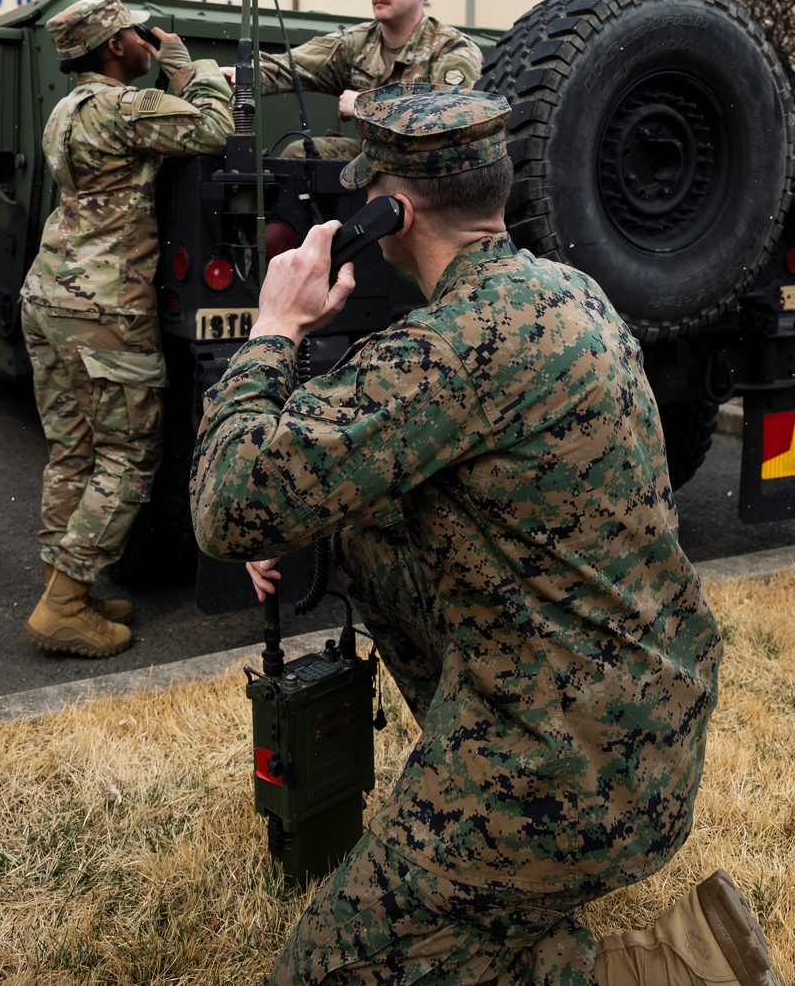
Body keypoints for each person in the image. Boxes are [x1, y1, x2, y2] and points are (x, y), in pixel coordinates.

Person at [191, 83, 777, 985]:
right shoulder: (568, 292)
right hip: (652, 730)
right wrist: (306, 508)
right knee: (371, 527)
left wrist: (273, 327)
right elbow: (353, 470)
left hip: (567, 777)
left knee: (314, 976)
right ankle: (499, 875)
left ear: (395, 211)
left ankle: (677, 965)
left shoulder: (446, 350)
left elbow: (226, 504)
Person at [21, 0, 233, 659]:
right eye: (139, 33)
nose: (147, 40)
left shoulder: (65, 111)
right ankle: (61, 605)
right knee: (129, 456)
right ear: (115, 46)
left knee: (73, 449)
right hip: (104, 306)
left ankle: (71, 584)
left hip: (50, 292)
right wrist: (185, 63)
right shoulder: (121, 107)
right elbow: (212, 128)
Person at [221, 0, 483, 158]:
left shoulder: (452, 49)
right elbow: (292, 66)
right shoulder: (357, 43)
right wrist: (241, 75)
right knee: (300, 154)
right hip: (378, 158)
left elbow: (444, 123)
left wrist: (366, 105)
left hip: (433, 169)